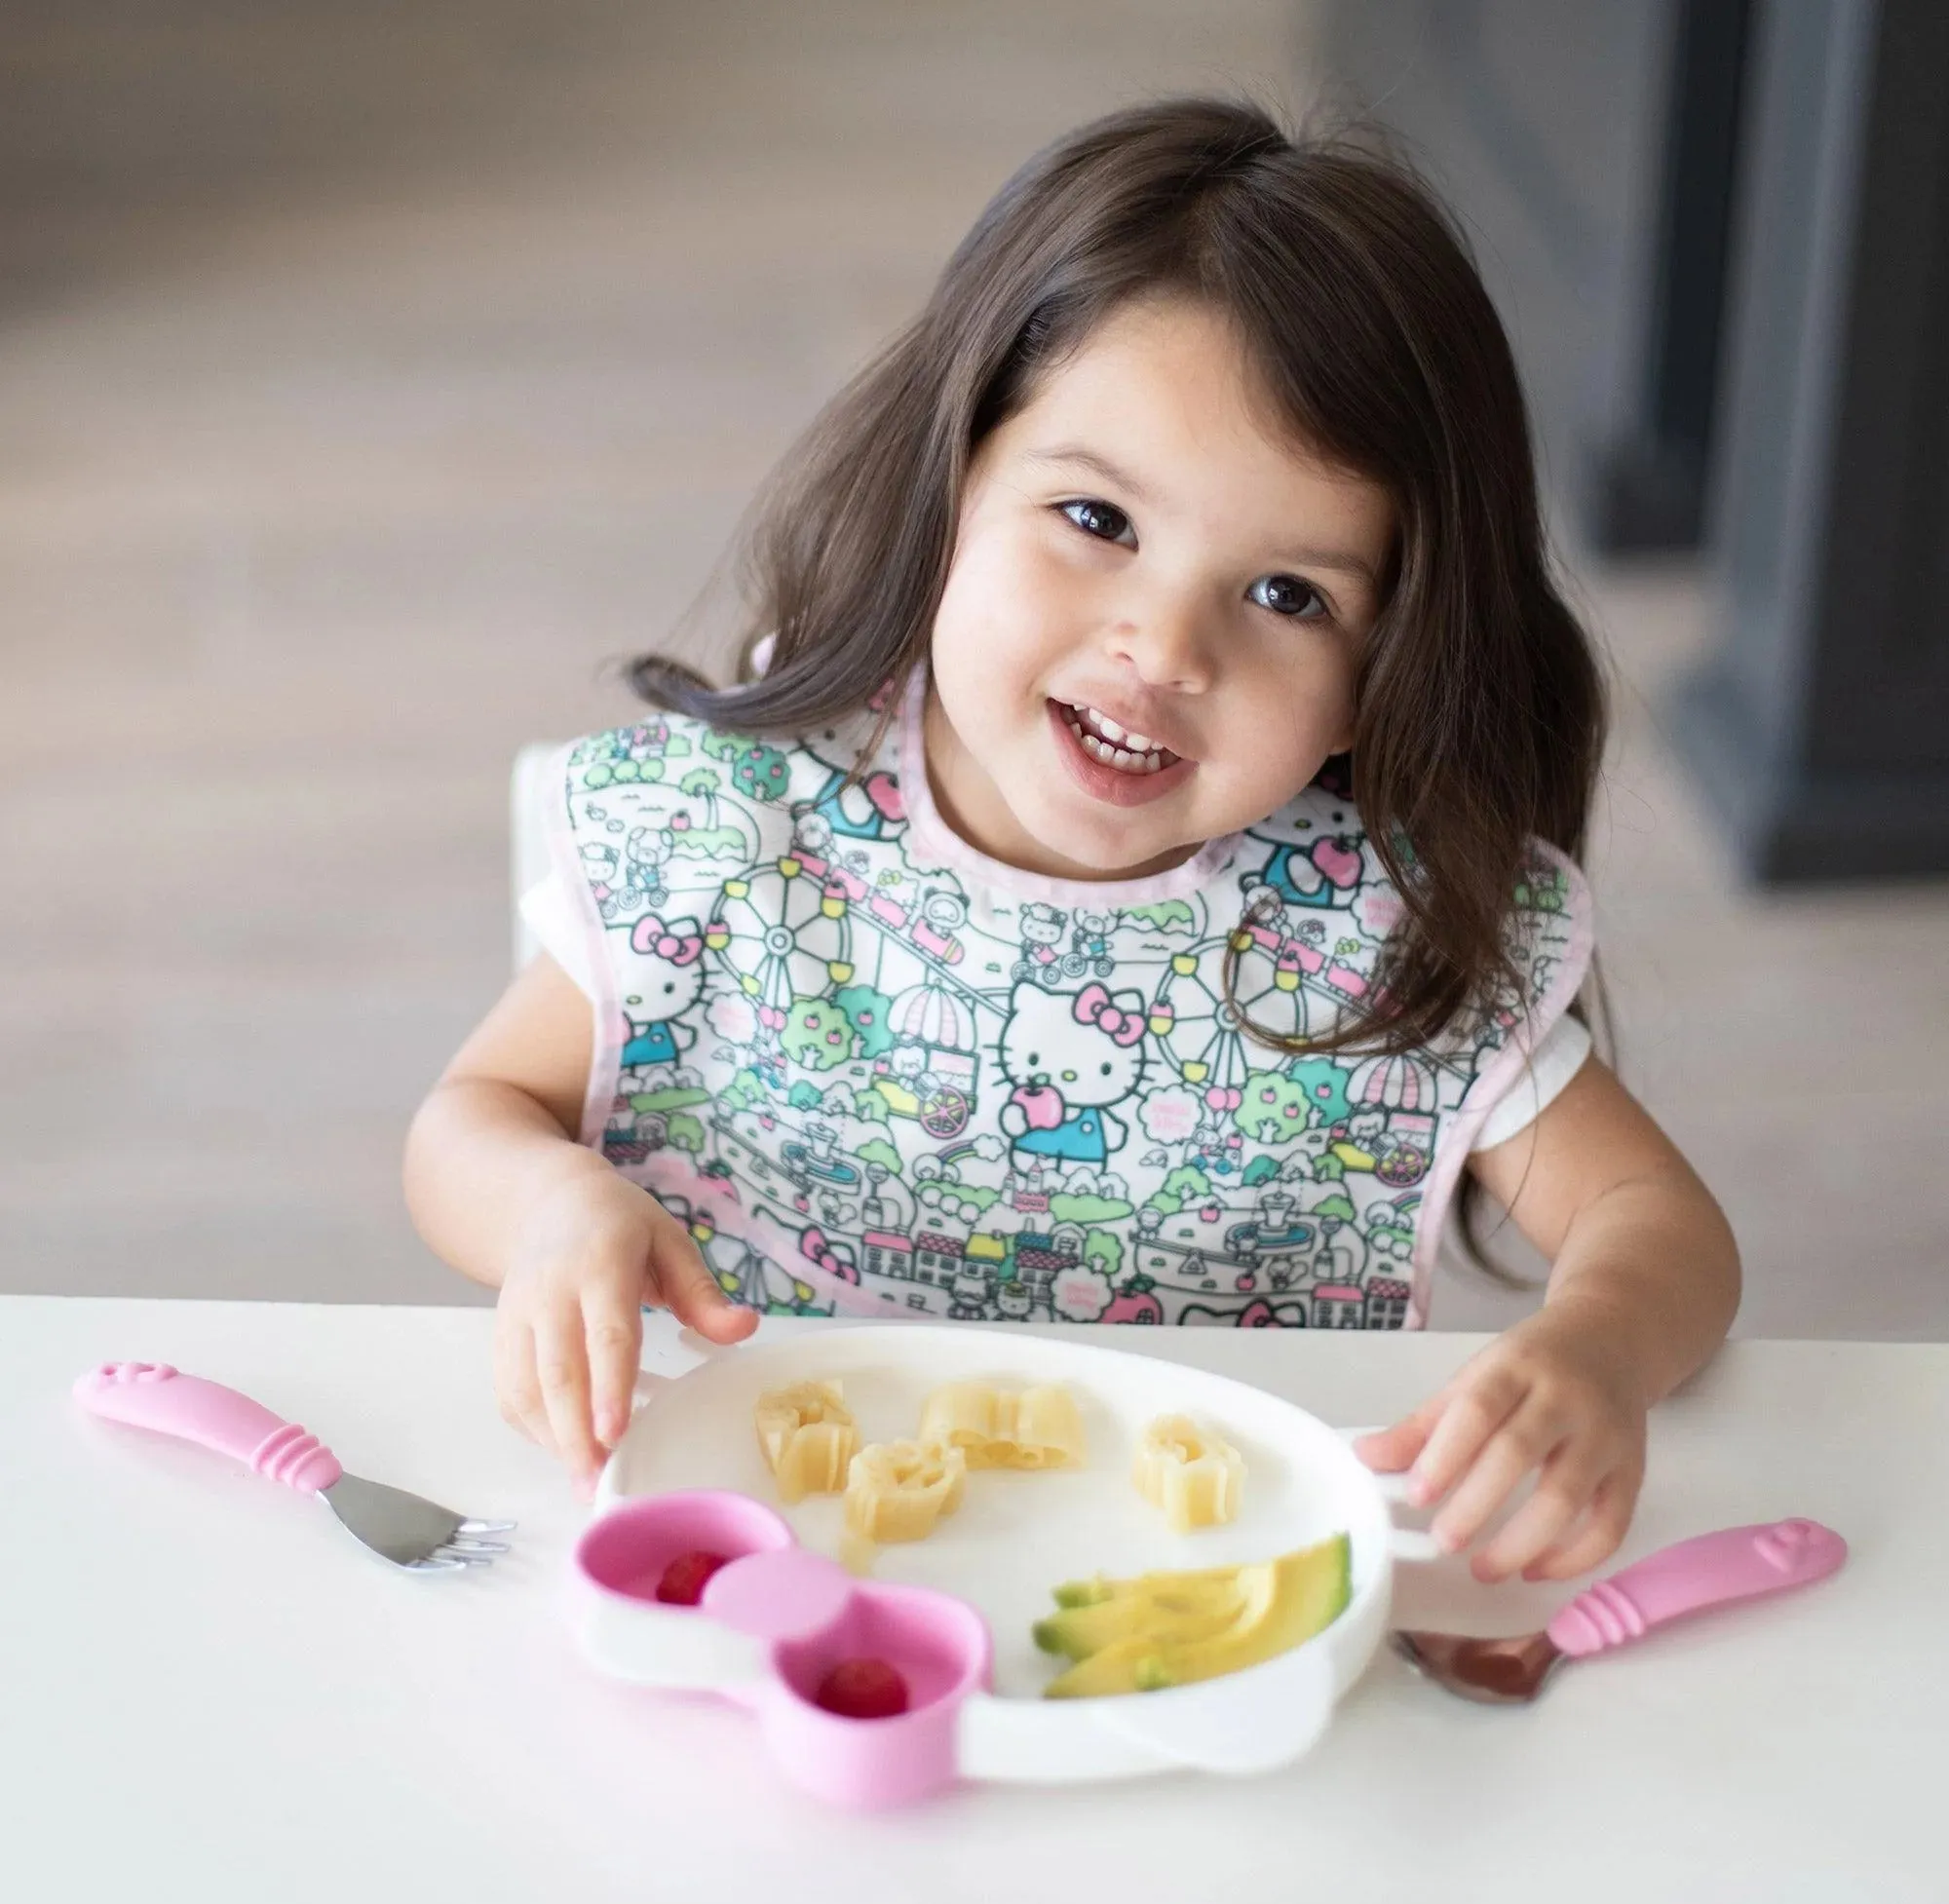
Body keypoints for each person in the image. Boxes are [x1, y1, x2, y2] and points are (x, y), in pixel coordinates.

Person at [404, 97, 1739, 1583]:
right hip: (749, 1557)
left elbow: (1658, 1226)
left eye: (1289, 595)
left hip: (1193, 1586)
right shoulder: (738, 835)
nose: (1163, 647)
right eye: (1097, 517)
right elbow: (470, 1120)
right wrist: (550, 1206)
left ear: (1389, 667)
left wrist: (1598, 1352)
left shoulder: (1374, 942)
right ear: (953, 480)